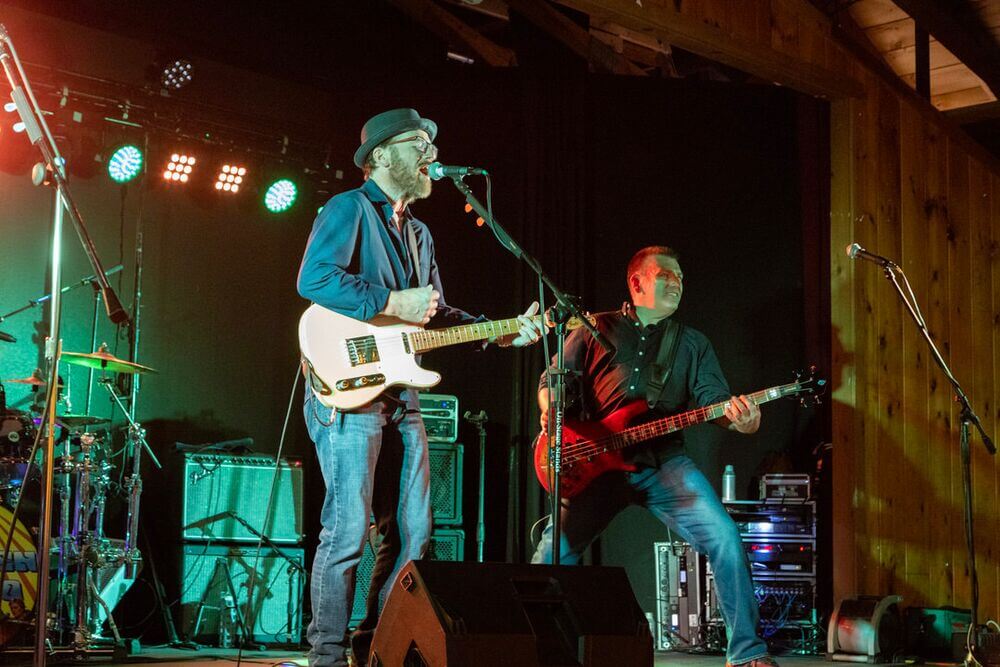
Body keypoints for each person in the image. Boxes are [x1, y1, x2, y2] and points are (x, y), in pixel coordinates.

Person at [297, 108, 543, 667]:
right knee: (347, 531)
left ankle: (372, 648)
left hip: (401, 395)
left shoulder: (419, 233)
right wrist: (389, 301)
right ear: (381, 155)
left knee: (414, 534)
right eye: (418, 142)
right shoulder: (349, 208)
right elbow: (313, 278)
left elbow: (434, 316)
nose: (431, 151)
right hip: (347, 389)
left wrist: (498, 332)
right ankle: (326, 657)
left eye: (432, 143)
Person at [531, 245, 777, 667]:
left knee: (725, 538)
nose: (677, 282)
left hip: (663, 464)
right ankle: (534, 649)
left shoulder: (692, 343)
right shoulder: (593, 328)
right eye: (666, 275)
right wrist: (552, 415)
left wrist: (744, 421)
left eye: (681, 277)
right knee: (552, 554)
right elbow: (551, 381)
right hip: (595, 467)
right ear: (637, 282)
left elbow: (715, 403)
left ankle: (747, 653)